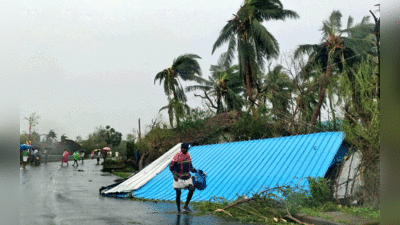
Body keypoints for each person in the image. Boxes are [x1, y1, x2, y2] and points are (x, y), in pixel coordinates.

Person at [169, 142, 197, 214]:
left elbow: (190, 166)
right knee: (178, 193)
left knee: (191, 189)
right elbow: (171, 167)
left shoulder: (188, 155)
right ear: (181, 148)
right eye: (183, 148)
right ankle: (178, 209)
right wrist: (174, 174)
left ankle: (185, 206)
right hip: (178, 177)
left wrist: (195, 171)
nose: (184, 150)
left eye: (186, 148)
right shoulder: (177, 156)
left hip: (187, 177)